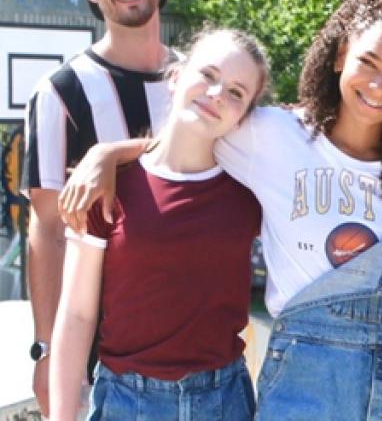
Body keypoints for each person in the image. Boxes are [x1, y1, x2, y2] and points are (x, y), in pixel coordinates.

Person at [59, 0, 382, 421]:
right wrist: (107, 153)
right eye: (368, 62)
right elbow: (192, 132)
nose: (379, 86)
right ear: (340, 55)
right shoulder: (272, 135)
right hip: (306, 385)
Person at [49, 28, 269, 421]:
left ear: (245, 116)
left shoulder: (251, 193)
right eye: (208, 74)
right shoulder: (107, 184)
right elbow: (77, 314)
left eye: (237, 92)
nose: (217, 93)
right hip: (125, 401)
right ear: (175, 76)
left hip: (223, 401)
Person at [21, 0, 174, 417]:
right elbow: (47, 229)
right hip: (103, 353)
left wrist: (114, 152)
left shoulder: (200, 84)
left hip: (201, 347)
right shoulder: (61, 92)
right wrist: (47, 350)